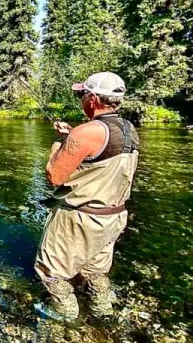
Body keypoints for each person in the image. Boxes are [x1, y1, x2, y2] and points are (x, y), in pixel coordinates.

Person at [35, 72, 140, 322]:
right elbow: (100, 153)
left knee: (52, 273)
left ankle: (64, 314)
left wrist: (59, 145)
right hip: (113, 218)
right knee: (95, 272)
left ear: (92, 99)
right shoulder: (128, 129)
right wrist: (71, 137)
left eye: (82, 94)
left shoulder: (86, 133)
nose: (81, 99)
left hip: (80, 219)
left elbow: (54, 176)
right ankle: (103, 312)